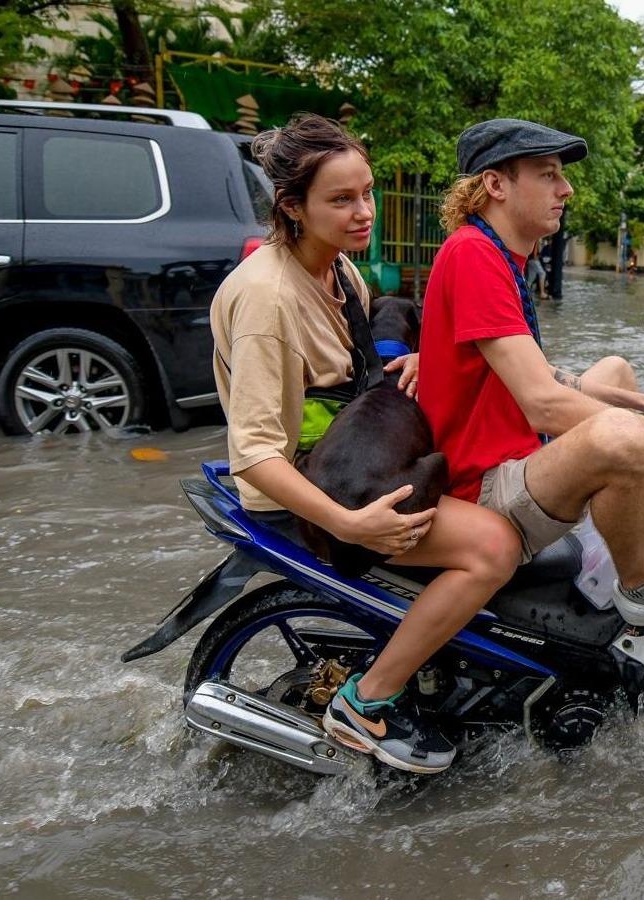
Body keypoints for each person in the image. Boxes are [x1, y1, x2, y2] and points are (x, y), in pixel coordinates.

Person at [210, 113, 521, 774]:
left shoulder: (342, 273)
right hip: (310, 494)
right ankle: (367, 700)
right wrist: (351, 523)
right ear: (291, 207)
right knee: (493, 548)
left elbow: (358, 378)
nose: (364, 213)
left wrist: (405, 362)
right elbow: (255, 453)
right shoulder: (267, 300)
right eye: (341, 200)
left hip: (349, 462)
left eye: (368, 193)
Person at [418, 118, 644, 626]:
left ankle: (612, 522)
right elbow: (543, 402)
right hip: (481, 483)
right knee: (620, 439)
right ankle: (642, 588)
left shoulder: (501, 256)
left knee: (618, 372)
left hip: (510, 448)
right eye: (548, 174)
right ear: (495, 184)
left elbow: (546, 375)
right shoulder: (473, 255)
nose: (566, 188)